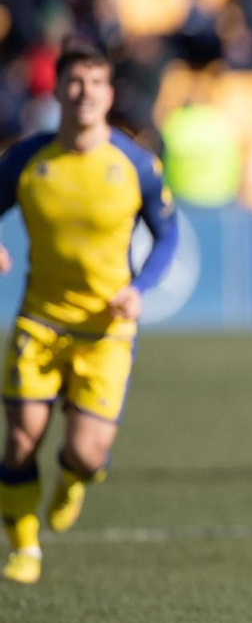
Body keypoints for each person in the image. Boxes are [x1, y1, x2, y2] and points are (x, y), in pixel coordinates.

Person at [0, 48, 177, 585]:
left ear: (109, 93)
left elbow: (168, 232)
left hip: (106, 332)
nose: (84, 92)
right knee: (21, 438)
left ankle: (74, 478)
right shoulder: (26, 158)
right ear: (56, 91)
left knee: (83, 451)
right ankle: (25, 546)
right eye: (74, 82)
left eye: (95, 82)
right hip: (41, 322)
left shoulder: (135, 164)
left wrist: (141, 287)